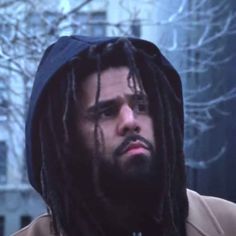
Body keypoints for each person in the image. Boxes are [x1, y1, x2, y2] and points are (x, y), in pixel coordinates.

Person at [13, 35, 236, 236]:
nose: (130, 121)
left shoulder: (226, 225)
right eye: (106, 112)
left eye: (141, 105)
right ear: (66, 138)